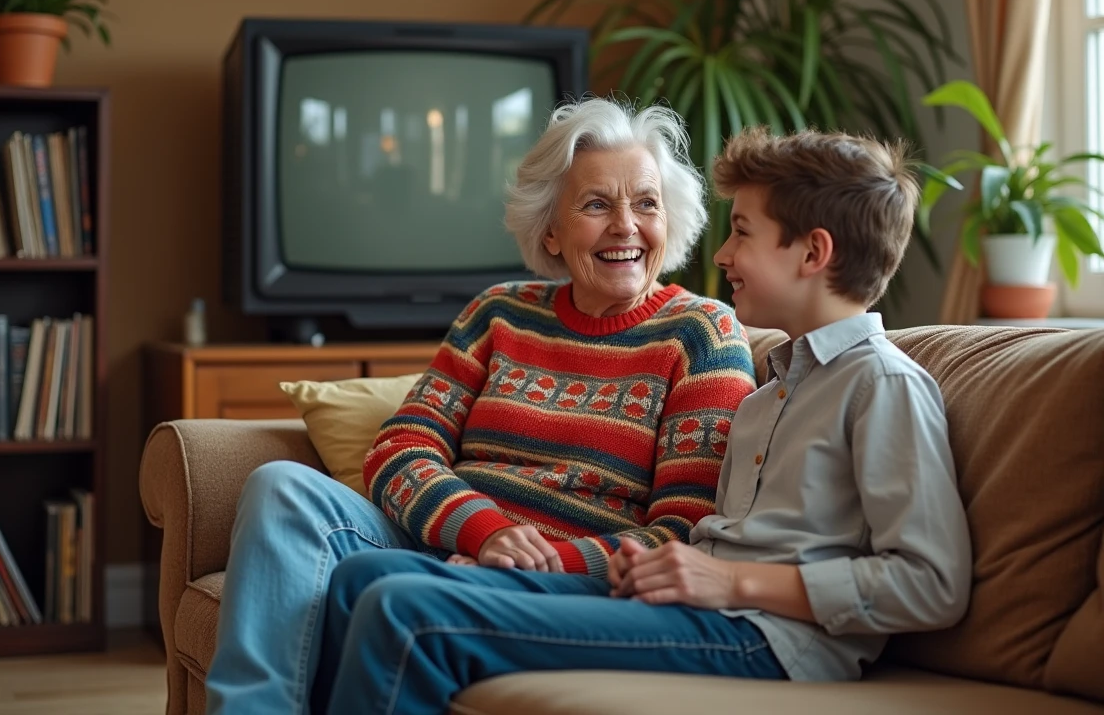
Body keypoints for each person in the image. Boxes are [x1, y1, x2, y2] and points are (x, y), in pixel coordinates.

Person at [314, 125, 975, 715]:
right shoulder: (777, 389)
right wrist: (659, 569)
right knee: (361, 579)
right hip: (698, 604)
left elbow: (932, 584)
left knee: (406, 612)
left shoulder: (882, 383)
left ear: (812, 254)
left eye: (742, 232)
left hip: (767, 637)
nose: (721, 254)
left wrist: (732, 579)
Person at [204, 97, 757, 714]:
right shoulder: (498, 313)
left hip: (558, 578)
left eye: (646, 203)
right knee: (281, 486)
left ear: (670, 219)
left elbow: (682, 531)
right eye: (596, 205)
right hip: (445, 539)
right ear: (549, 228)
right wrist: (485, 531)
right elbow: (402, 446)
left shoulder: (701, 333)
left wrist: (533, 562)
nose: (626, 225)